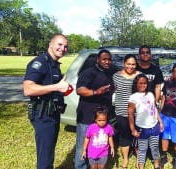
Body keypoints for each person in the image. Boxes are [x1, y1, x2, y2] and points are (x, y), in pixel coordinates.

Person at [23, 33, 70, 169]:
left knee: (49, 153)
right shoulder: (40, 63)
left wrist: (62, 89)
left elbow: (51, 87)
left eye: (65, 46)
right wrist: (56, 86)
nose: (63, 48)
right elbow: (28, 89)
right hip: (43, 115)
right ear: (50, 44)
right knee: (45, 157)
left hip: (52, 113)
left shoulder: (53, 64)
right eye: (59, 44)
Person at [74, 49, 116, 169]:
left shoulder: (110, 74)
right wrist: (96, 92)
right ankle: (80, 166)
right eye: (104, 59)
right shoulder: (89, 72)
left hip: (102, 117)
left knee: (98, 144)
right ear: (98, 60)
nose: (107, 62)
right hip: (87, 116)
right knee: (82, 145)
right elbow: (79, 90)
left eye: (109, 59)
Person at [128, 74, 164, 169]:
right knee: (142, 149)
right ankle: (141, 166)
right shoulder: (133, 97)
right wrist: (133, 129)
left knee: (155, 147)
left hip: (154, 126)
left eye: (145, 83)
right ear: (136, 84)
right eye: (140, 83)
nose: (143, 85)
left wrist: (160, 122)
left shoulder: (150, 94)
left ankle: (156, 165)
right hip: (142, 129)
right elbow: (130, 115)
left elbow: (154, 109)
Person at [113, 54, 141, 169]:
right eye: (128, 64)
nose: (131, 66)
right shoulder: (116, 76)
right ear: (124, 63)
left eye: (133, 64)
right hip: (121, 111)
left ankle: (140, 159)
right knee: (124, 136)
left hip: (137, 112)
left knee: (139, 137)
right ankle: (125, 160)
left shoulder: (140, 76)